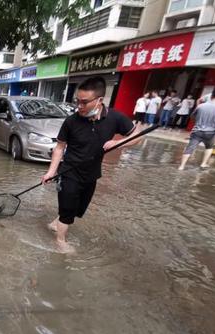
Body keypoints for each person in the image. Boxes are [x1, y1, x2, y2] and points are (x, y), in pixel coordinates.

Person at [40, 77, 141, 252]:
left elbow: (138, 136)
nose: (79, 106)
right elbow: (59, 147)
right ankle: (60, 242)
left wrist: (119, 143)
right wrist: (51, 172)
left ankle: (55, 224)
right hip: (69, 172)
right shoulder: (71, 121)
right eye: (77, 101)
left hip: (91, 174)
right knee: (68, 209)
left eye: (84, 102)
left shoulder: (115, 118)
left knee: (77, 210)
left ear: (99, 100)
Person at [178, 88, 215, 170]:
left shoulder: (201, 106)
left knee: (190, 148)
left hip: (197, 131)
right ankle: (203, 164)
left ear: (212, 95)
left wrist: (198, 121)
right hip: (211, 132)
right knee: (209, 147)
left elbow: (192, 116)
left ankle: (182, 166)